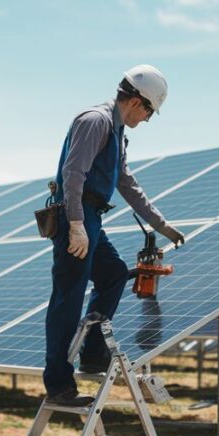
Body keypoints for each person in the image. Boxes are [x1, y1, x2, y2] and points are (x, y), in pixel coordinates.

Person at [44, 65, 185, 406]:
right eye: (150, 110)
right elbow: (73, 173)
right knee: (69, 297)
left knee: (114, 275)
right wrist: (76, 224)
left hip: (91, 218)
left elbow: (126, 183)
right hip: (75, 216)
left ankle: (92, 353)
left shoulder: (117, 131)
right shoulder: (96, 121)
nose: (149, 119)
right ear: (137, 101)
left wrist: (160, 224)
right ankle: (59, 385)